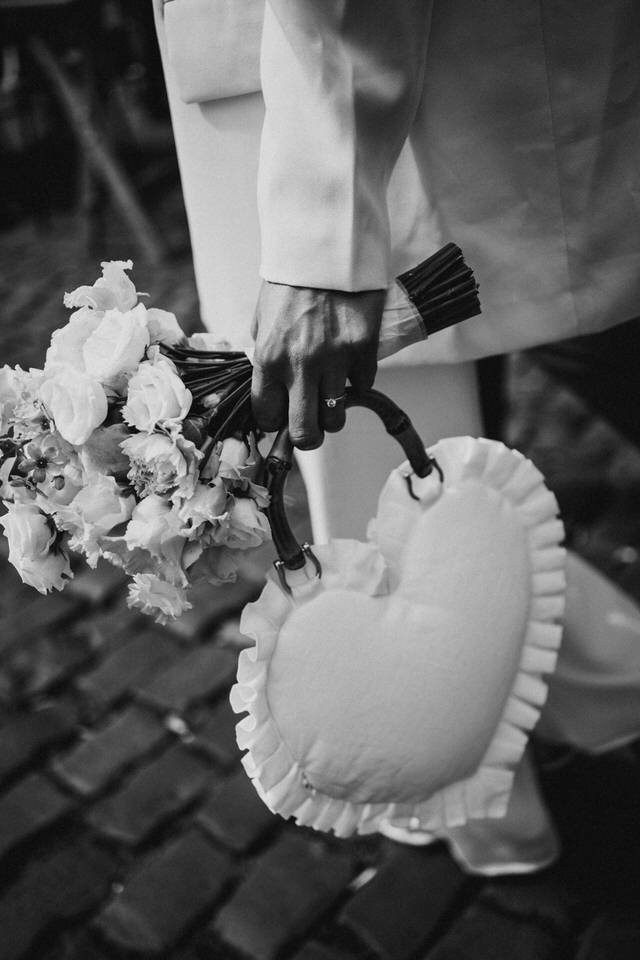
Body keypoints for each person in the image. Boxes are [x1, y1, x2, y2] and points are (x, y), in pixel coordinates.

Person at [153, 0, 640, 874]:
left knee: (394, 463)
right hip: (255, 90)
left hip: (326, 95)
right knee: (427, 499)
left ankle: (474, 750)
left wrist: (321, 244)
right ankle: (540, 700)